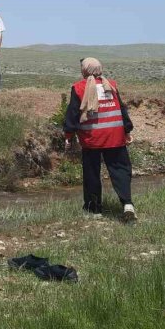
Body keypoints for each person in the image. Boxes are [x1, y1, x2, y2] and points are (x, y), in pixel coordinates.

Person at [62, 58, 136, 222]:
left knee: (92, 174)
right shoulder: (112, 84)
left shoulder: (79, 87)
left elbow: (73, 114)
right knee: (120, 171)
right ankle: (127, 204)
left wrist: (68, 136)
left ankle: (94, 209)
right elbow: (121, 109)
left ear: (85, 70)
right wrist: (127, 130)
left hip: (92, 139)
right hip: (115, 137)